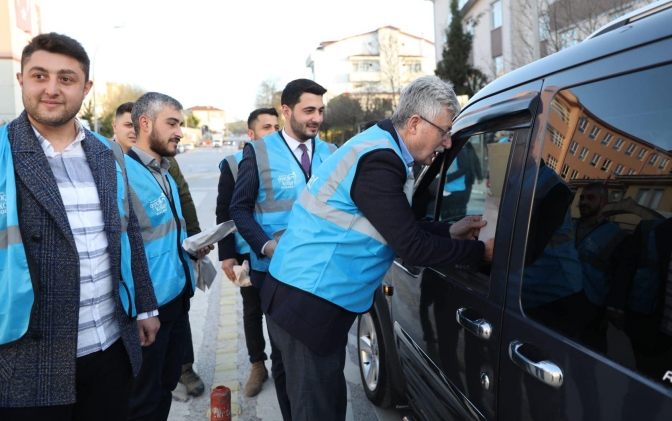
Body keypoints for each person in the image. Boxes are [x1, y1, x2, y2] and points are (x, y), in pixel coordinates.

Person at [260, 75, 494, 420]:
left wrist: (450, 230)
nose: (446, 143)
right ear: (415, 123)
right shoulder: (380, 161)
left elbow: (393, 224)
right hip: (308, 306)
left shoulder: (376, 146)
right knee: (318, 411)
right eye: (443, 131)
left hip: (296, 294)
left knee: (307, 407)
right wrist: (480, 253)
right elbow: (411, 246)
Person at [0, 33, 159, 421]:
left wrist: (145, 306)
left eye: (66, 79)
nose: (52, 89)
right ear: (21, 80)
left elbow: (128, 232)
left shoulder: (108, 153)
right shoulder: (4, 153)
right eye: (40, 76)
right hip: (27, 356)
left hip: (110, 347)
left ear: (86, 88)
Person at [230, 79, 337, 419]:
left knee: (320, 355)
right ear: (287, 111)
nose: (316, 118)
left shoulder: (331, 153)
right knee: (285, 357)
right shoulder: (259, 151)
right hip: (274, 273)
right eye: (309, 110)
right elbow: (239, 209)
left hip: (320, 272)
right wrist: (265, 245)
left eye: (320, 110)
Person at [124, 92, 213, 421]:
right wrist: (140, 308)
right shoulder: (123, 176)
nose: (180, 132)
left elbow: (163, 236)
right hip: (148, 310)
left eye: (181, 124)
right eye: (172, 123)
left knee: (163, 389)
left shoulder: (163, 170)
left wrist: (191, 245)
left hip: (176, 298)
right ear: (145, 123)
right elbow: (122, 251)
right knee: (143, 400)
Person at [216, 107, 279, 397]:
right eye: (267, 127)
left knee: (279, 311)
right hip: (246, 256)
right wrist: (227, 254)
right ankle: (258, 364)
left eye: (276, 126)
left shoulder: (286, 162)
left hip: (280, 253)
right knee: (252, 311)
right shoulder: (232, 164)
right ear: (251, 134)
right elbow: (224, 212)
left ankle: (282, 363)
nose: (274, 132)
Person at [573, 183, 627, 351]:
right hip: (563, 295)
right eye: (582, 197)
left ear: (603, 203)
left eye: (590, 198)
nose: (584, 202)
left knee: (587, 355)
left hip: (593, 304)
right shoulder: (569, 226)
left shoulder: (616, 234)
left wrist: (613, 307)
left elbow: (621, 275)